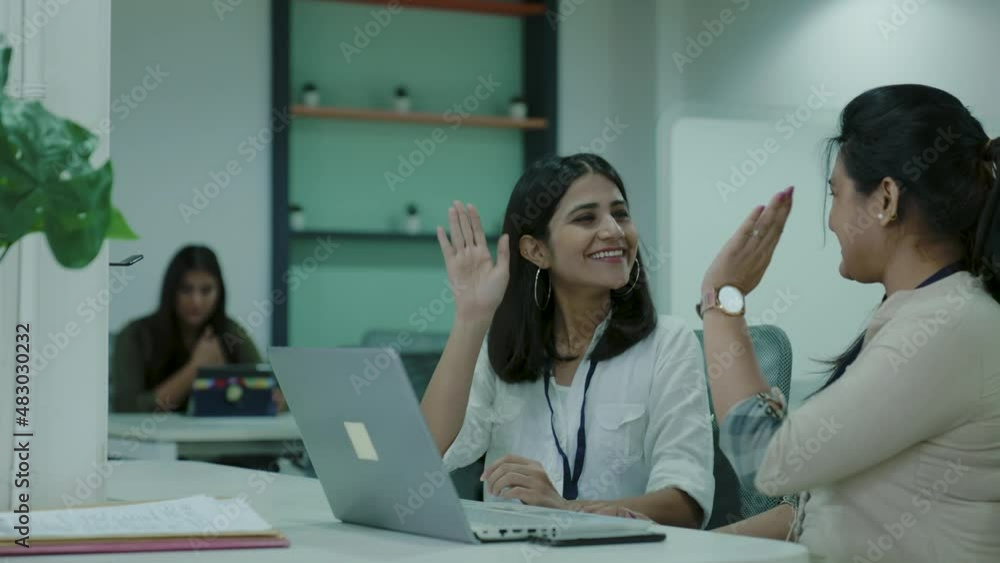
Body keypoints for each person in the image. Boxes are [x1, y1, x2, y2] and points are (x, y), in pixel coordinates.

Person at [697, 85, 1000, 562]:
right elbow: (819, 508)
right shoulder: (930, 313)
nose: (833, 221)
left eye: (835, 194)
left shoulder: (949, 324)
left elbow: (768, 460)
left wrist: (721, 302)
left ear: (885, 199)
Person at [420, 153, 714, 528]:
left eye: (620, 214)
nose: (614, 230)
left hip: (620, 554)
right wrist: (470, 318)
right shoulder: (504, 346)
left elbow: (685, 505)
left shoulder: (668, 343)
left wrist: (565, 508)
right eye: (586, 218)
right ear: (537, 250)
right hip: (505, 552)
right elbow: (424, 457)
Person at [111, 245, 272, 413]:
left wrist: (276, 399)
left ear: (220, 292)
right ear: (171, 290)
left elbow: (267, 388)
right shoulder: (135, 335)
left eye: (206, 290)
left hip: (219, 430)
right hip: (149, 430)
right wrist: (196, 368)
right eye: (186, 289)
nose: (196, 301)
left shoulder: (232, 332)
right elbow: (126, 407)